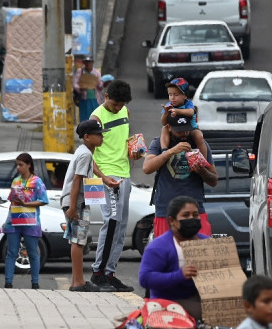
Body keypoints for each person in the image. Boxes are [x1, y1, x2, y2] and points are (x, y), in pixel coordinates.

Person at [89, 79, 140, 292]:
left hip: (123, 174)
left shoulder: (124, 111)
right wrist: (101, 178)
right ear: (106, 97)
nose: (118, 108)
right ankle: (97, 273)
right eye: (115, 104)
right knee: (110, 222)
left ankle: (110, 273)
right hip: (104, 176)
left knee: (120, 226)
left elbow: (125, 140)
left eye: (122, 104)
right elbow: (87, 155)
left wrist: (134, 151)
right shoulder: (96, 117)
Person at [61, 119, 116, 292]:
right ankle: (78, 283)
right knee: (79, 241)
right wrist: (72, 207)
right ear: (86, 137)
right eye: (98, 135)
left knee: (78, 240)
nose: (101, 137)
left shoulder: (84, 152)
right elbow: (77, 180)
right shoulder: (85, 154)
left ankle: (76, 281)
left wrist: (105, 179)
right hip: (76, 201)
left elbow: (92, 167)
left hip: (76, 200)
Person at [143, 113, 218, 238]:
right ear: (169, 128)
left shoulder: (199, 144)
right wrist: (170, 151)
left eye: (186, 130)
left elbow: (214, 180)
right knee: (166, 253)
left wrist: (201, 171)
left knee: (201, 253)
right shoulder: (158, 143)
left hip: (195, 212)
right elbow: (147, 168)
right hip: (165, 211)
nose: (184, 134)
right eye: (179, 131)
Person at [138, 196, 211, 319]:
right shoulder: (159, 246)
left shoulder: (208, 243)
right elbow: (145, 279)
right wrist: (180, 275)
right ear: (172, 221)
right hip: (167, 302)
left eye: (195, 215)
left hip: (199, 298)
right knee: (206, 312)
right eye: (186, 215)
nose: (191, 219)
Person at [2, 153, 49, 290]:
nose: (18, 167)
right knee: (11, 252)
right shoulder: (15, 181)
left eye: (21, 165)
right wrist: (7, 221)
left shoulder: (37, 181)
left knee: (33, 252)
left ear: (29, 165)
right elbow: (11, 202)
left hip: (31, 222)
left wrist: (27, 203)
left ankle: (35, 283)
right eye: (17, 164)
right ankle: (8, 283)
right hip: (14, 222)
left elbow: (43, 200)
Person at [158, 77, 207, 156]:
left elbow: (191, 112)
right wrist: (166, 112)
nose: (172, 97)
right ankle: (164, 150)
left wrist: (177, 111)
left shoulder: (188, 104)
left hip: (190, 129)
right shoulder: (169, 106)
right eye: (170, 95)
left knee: (199, 135)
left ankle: (203, 159)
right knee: (164, 129)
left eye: (176, 95)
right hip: (175, 130)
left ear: (185, 96)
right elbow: (163, 122)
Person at [73, 56, 104, 124]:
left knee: (94, 116)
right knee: (84, 117)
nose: (88, 64)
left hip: (95, 98)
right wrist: (80, 88)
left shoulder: (96, 73)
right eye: (86, 62)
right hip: (84, 98)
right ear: (84, 63)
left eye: (89, 62)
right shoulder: (80, 71)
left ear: (92, 63)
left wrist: (99, 84)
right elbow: (75, 84)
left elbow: (100, 85)